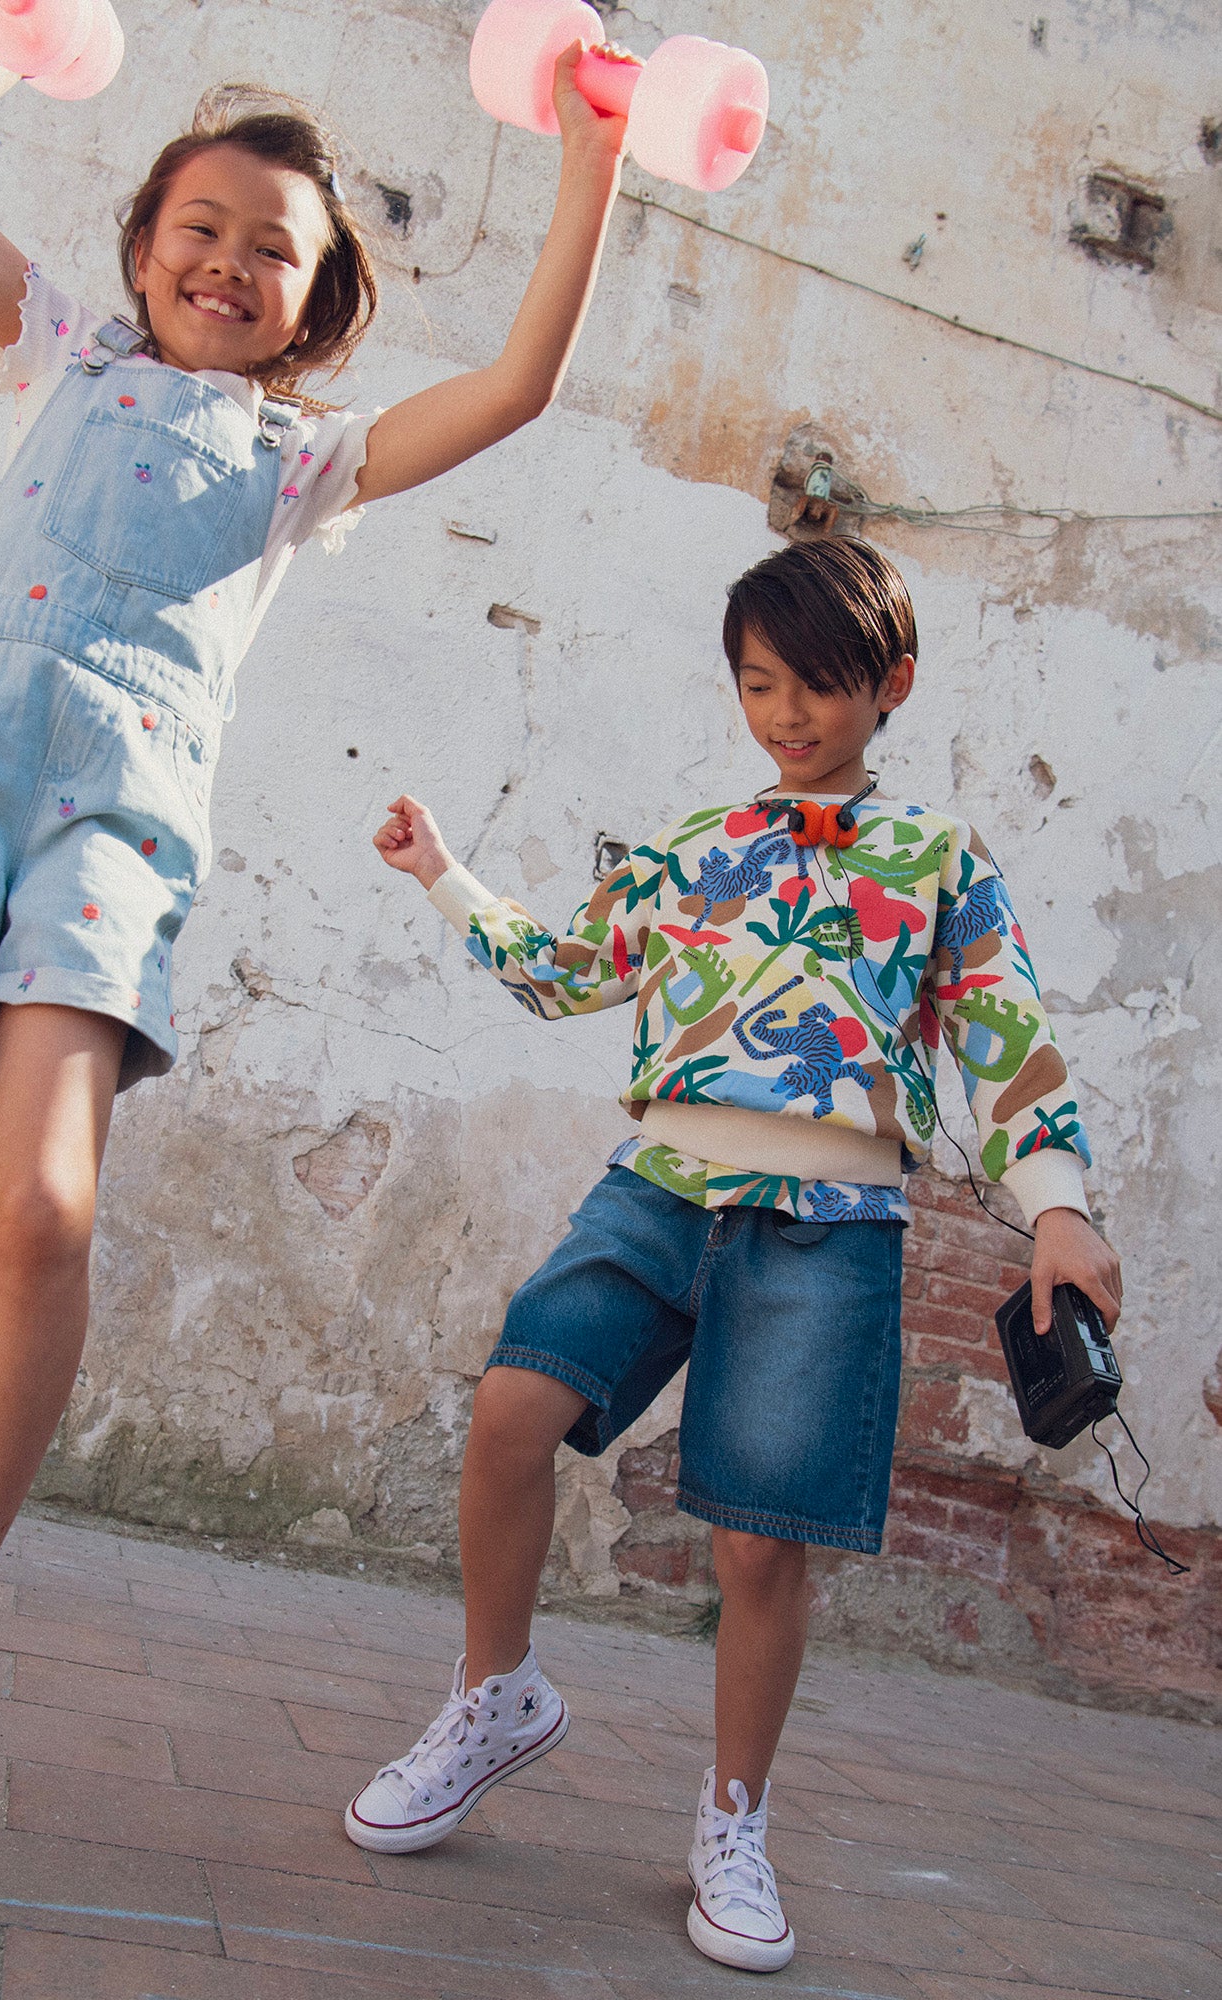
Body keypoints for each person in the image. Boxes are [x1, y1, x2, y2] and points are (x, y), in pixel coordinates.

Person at [0, 33, 629, 1855]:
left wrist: (597, 157)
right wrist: (0, 50)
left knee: (40, 1210)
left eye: (273, 248)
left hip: (111, 842)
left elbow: (522, 384)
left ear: (315, 302)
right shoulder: (65, 347)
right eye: (199, 226)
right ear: (141, 250)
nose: (228, 260)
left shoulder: (312, 464)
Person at [351, 537, 1121, 1970]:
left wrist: (1058, 1204)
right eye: (759, 685)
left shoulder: (939, 859)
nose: (785, 715)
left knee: (762, 1546)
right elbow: (564, 974)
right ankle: (496, 1695)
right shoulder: (695, 850)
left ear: (890, 683)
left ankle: (733, 1818)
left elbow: (1008, 1037)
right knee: (513, 1410)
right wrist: (445, 876)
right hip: (656, 1190)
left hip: (828, 1231)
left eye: (818, 686)